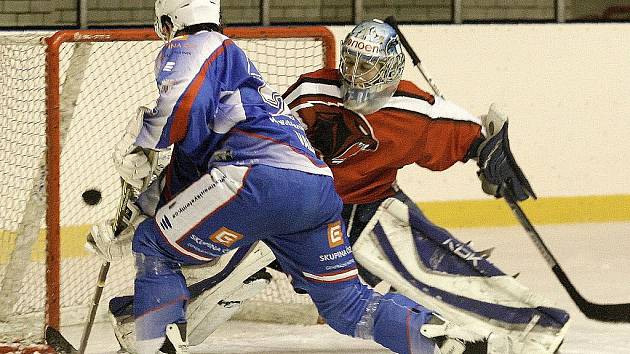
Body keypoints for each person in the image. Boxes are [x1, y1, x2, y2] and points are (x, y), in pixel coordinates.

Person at [87, 2, 487, 354]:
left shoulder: (196, 46)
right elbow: (190, 161)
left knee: (155, 248)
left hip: (257, 183)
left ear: (172, 19)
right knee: (347, 305)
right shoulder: (249, 88)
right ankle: (445, 341)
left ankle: (153, 345)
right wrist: (146, 206)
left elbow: (180, 111)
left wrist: (142, 146)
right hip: (316, 191)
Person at [280, 19, 572, 353]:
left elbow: (473, 136)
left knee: (439, 267)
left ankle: (534, 329)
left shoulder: (414, 109)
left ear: (389, 69)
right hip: (307, 208)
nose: (355, 74)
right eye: (352, 61)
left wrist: (490, 155)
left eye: (368, 66)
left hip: (369, 204)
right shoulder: (309, 94)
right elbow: (269, 146)